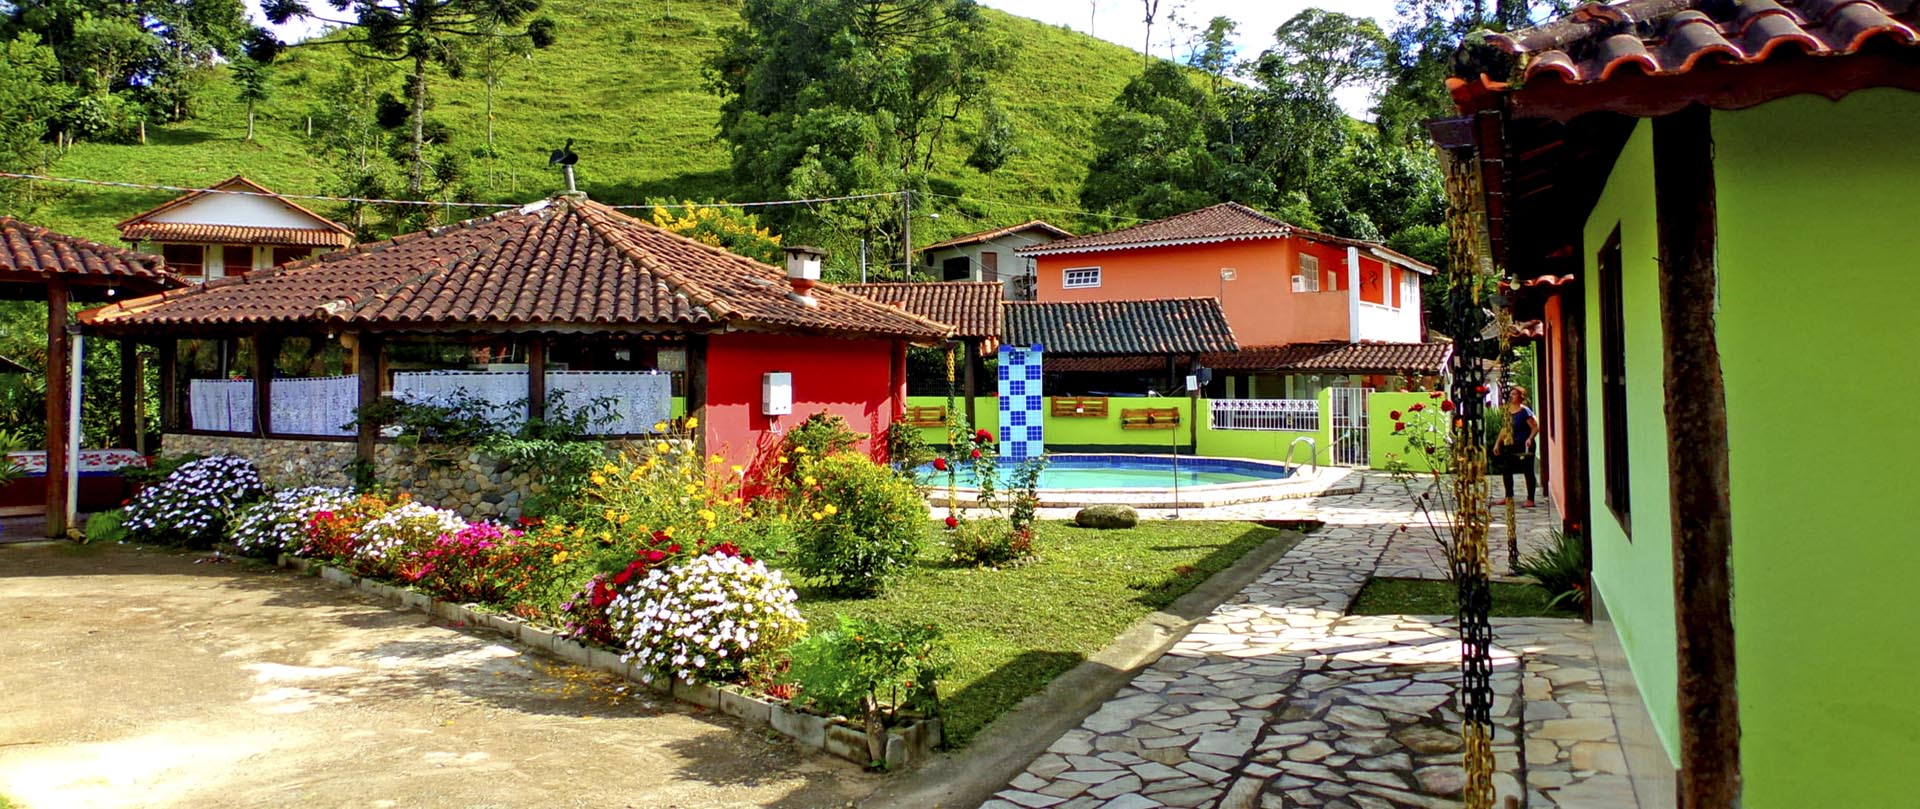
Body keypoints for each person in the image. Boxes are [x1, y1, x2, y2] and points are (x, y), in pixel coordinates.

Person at [1492, 386, 1539, 508]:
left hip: (1525, 445)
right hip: (1511, 444)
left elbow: (1535, 427)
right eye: (1511, 394)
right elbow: (1505, 428)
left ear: (1520, 397)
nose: (1511, 396)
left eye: (1514, 394)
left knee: (1528, 471)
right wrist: (1498, 443)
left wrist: (1530, 438)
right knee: (1506, 469)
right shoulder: (1508, 410)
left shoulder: (1525, 411)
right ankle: (1508, 496)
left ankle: (1530, 499)